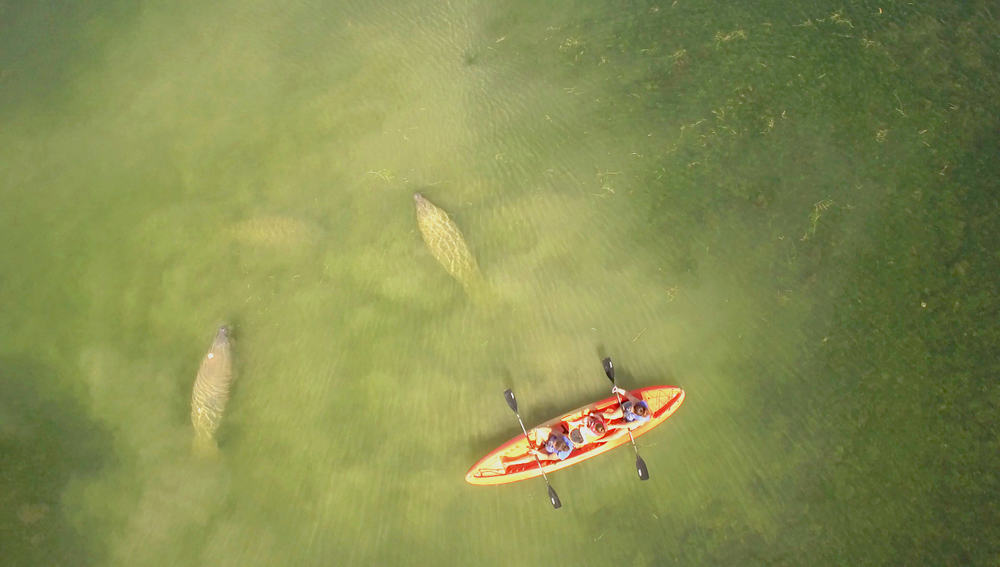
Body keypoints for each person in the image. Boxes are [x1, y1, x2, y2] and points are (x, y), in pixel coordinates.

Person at [501, 425, 574, 468]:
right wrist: (538, 430)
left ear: (556, 449)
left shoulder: (558, 455)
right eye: (554, 442)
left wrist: (537, 452)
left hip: (549, 453)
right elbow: (549, 430)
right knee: (539, 431)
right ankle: (537, 446)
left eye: (553, 445)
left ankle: (508, 463)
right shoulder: (562, 437)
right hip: (552, 440)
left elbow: (547, 457)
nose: (552, 443)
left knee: (533, 457)